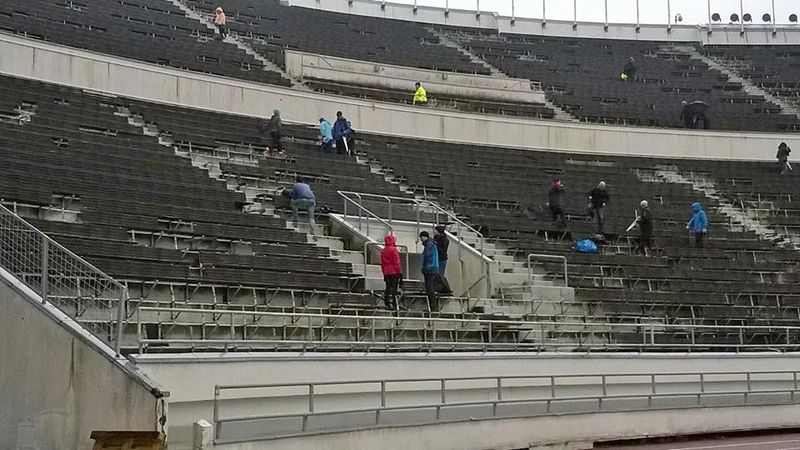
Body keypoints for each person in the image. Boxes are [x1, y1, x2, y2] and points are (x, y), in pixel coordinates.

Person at [380, 234, 403, 310]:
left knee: (388, 287)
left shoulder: (383, 250)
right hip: (394, 271)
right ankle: (393, 302)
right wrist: (400, 272)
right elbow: (397, 262)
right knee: (394, 288)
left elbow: (382, 263)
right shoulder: (394, 250)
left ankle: (387, 302)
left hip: (386, 272)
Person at [419, 231, 439, 312]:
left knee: (430, 288)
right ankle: (433, 307)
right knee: (431, 288)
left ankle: (433, 307)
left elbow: (428, 257)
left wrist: (425, 268)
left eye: (421, 237)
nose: (420, 240)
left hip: (429, 269)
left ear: (424, 237)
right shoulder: (432, 244)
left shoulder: (429, 245)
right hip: (433, 268)